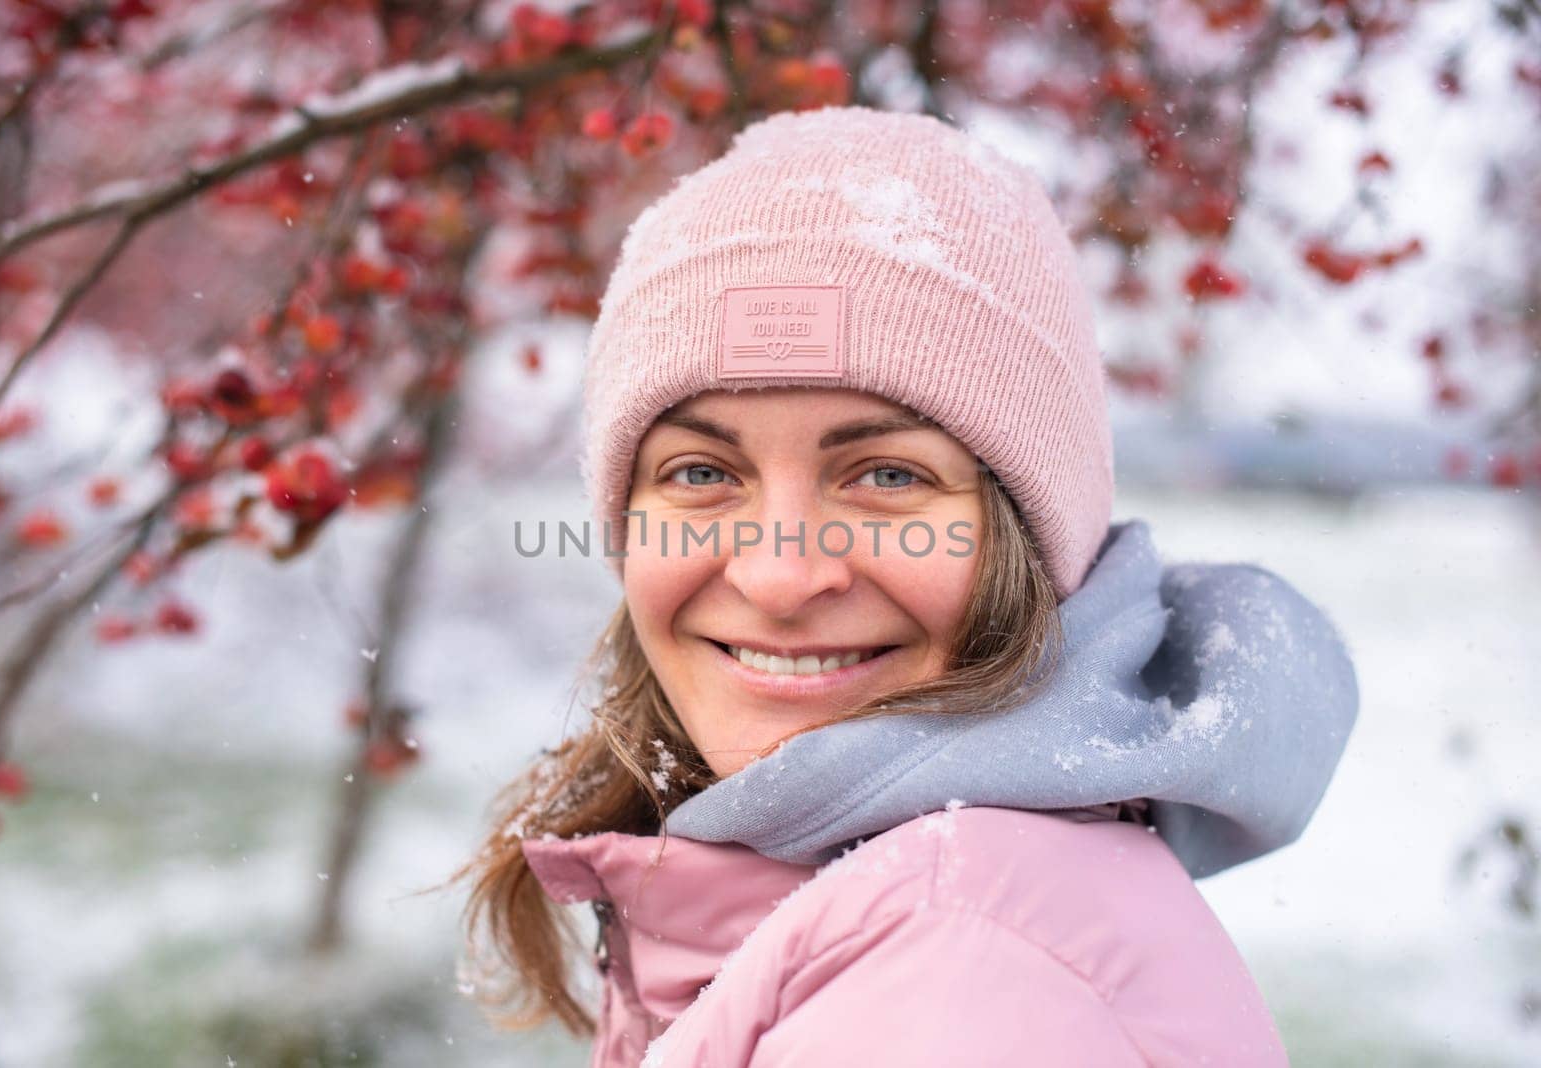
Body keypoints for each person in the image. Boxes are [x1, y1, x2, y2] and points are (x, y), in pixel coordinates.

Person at [451, 106, 1359, 1067]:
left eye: (887, 477)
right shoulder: (908, 915)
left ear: (1025, 538)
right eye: (702, 474)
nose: (781, 575)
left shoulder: (963, 978)